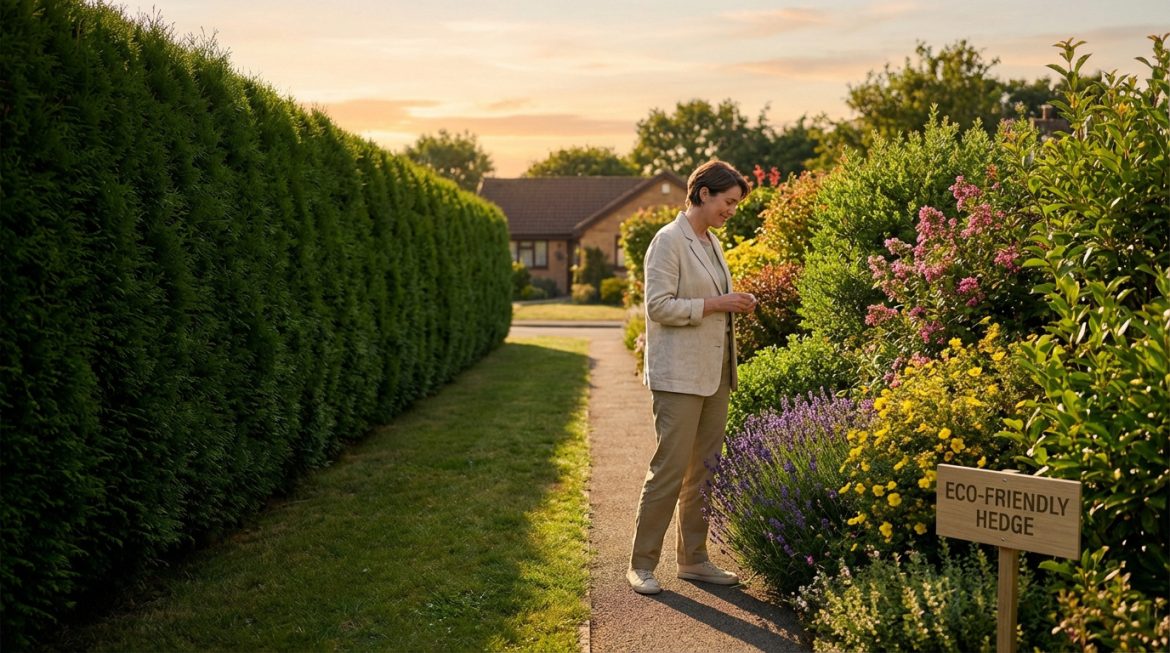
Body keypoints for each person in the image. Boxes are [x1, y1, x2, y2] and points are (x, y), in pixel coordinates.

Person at [627, 160, 757, 595]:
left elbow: (709, 299)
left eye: (736, 203)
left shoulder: (712, 242)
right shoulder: (668, 241)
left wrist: (732, 303)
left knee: (704, 472)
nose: (732, 210)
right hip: (678, 378)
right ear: (703, 193)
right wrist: (718, 304)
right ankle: (642, 564)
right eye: (728, 201)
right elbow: (659, 307)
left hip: (715, 376)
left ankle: (694, 560)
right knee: (669, 470)